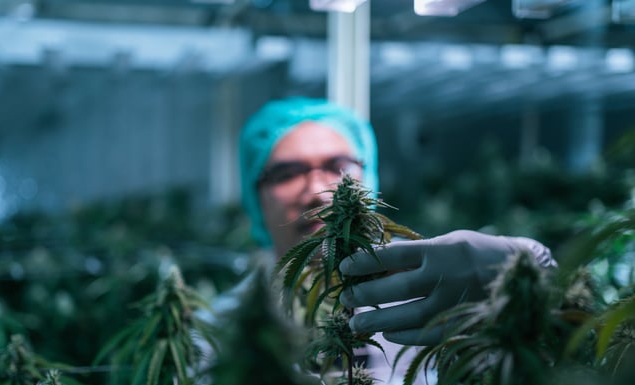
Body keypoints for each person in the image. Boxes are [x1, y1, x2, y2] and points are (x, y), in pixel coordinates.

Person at [238, 96, 556, 344]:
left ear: (367, 176)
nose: (318, 191)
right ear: (255, 194)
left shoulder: (432, 285)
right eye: (287, 173)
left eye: (338, 165)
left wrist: (527, 274)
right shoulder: (220, 333)